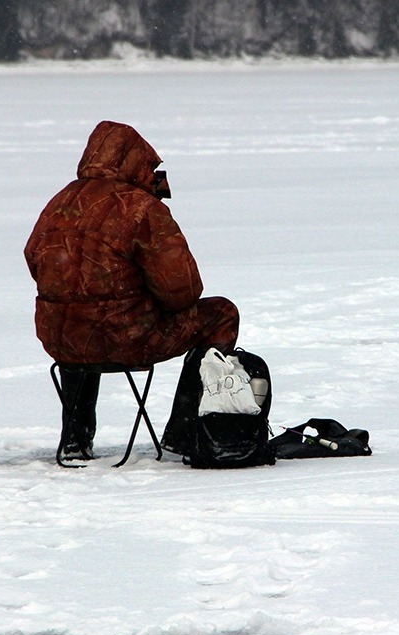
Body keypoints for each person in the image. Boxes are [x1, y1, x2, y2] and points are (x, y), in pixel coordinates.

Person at [25, 121, 240, 459]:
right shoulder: (140, 208)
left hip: (62, 340)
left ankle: (75, 438)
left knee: (78, 316)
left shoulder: (61, 201)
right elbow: (182, 292)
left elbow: (33, 258)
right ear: (135, 161)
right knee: (222, 314)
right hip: (126, 338)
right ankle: (183, 433)